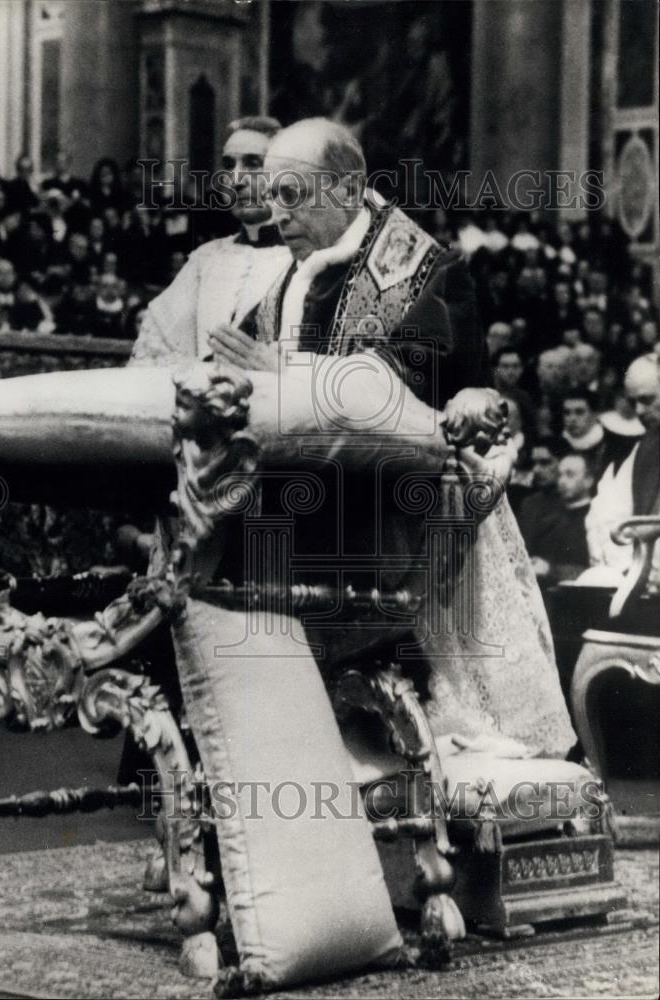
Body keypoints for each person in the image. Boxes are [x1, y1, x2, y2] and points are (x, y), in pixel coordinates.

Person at [208, 117, 574, 757]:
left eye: (292, 194)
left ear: (348, 189)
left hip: (397, 525)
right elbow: (236, 364)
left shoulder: (426, 271)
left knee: (414, 741)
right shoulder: (290, 279)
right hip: (299, 515)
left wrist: (284, 374)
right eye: (272, 197)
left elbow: (401, 385)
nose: (277, 214)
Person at [130, 116, 291, 364]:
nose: (236, 179)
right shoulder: (206, 259)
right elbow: (156, 348)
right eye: (229, 166)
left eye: (252, 163)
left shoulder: (309, 260)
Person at [584, 354, 660, 584]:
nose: (638, 410)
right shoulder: (645, 449)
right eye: (633, 401)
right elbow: (606, 513)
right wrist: (629, 569)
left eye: (647, 400)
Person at [523, 451, 594, 586]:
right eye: (560, 475)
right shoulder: (550, 518)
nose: (561, 481)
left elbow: (596, 571)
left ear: (588, 480)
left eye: (570, 475)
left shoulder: (595, 518)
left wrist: (550, 570)